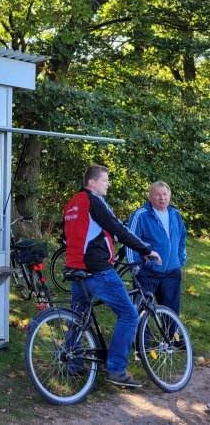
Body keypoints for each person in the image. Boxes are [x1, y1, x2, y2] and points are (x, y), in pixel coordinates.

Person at [63, 165, 161, 388]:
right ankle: (116, 369)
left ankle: (73, 363)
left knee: (78, 319)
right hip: (96, 269)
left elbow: (68, 235)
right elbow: (117, 227)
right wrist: (146, 249)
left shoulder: (71, 204)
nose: (108, 184)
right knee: (129, 315)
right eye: (105, 180)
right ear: (92, 183)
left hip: (75, 267)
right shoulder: (92, 201)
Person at [126, 181, 187, 317]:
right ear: (150, 197)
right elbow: (130, 241)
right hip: (147, 272)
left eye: (165, 194)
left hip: (172, 273)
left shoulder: (174, 214)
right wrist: (135, 268)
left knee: (171, 312)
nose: (162, 198)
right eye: (157, 194)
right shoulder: (140, 215)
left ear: (169, 196)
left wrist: (180, 261)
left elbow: (182, 237)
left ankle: (171, 338)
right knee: (140, 311)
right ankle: (142, 338)